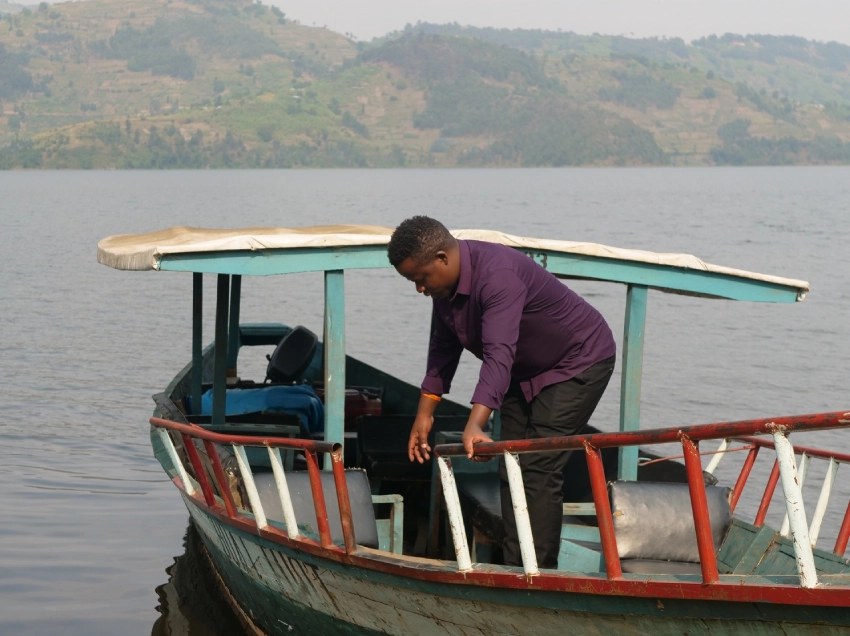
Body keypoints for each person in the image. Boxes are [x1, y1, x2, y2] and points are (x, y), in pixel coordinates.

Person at [387, 216, 616, 569]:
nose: (419, 288)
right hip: (522, 371)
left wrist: (476, 424)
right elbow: (443, 350)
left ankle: (535, 577)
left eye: (420, 279)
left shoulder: (497, 276)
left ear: (442, 259)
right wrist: (423, 414)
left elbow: (498, 355)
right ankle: (514, 567)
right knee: (511, 465)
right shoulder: (445, 291)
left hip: (577, 362)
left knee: (538, 466)